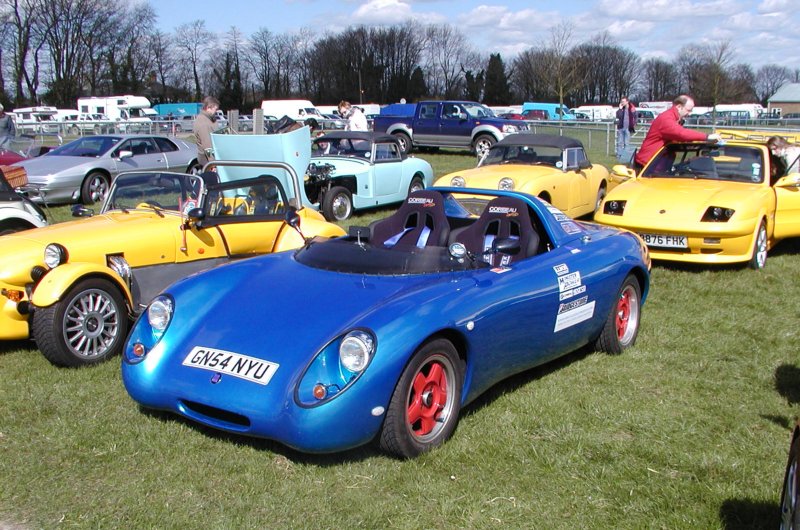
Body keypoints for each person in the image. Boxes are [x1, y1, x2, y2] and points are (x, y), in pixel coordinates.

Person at [633, 95, 720, 171]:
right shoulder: (666, 119)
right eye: (688, 110)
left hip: (657, 163)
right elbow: (681, 133)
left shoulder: (674, 119)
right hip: (648, 165)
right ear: (679, 107)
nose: (689, 113)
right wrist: (707, 137)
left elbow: (678, 138)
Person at [192, 96, 220, 167]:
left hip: (208, 158)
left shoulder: (208, 119)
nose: (216, 112)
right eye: (215, 109)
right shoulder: (204, 124)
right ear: (208, 107)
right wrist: (213, 164)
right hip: (207, 160)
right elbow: (208, 146)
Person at [615, 96, 636, 161]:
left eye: (623, 101)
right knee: (619, 142)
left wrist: (634, 124)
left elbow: (635, 116)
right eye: (621, 101)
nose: (622, 103)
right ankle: (619, 155)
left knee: (626, 143)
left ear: (627, 102)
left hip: (628, 128)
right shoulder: (621, 109)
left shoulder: (632, 108)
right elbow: (618, 116)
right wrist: (620, 109)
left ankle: (625, 156)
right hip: (621, 128)